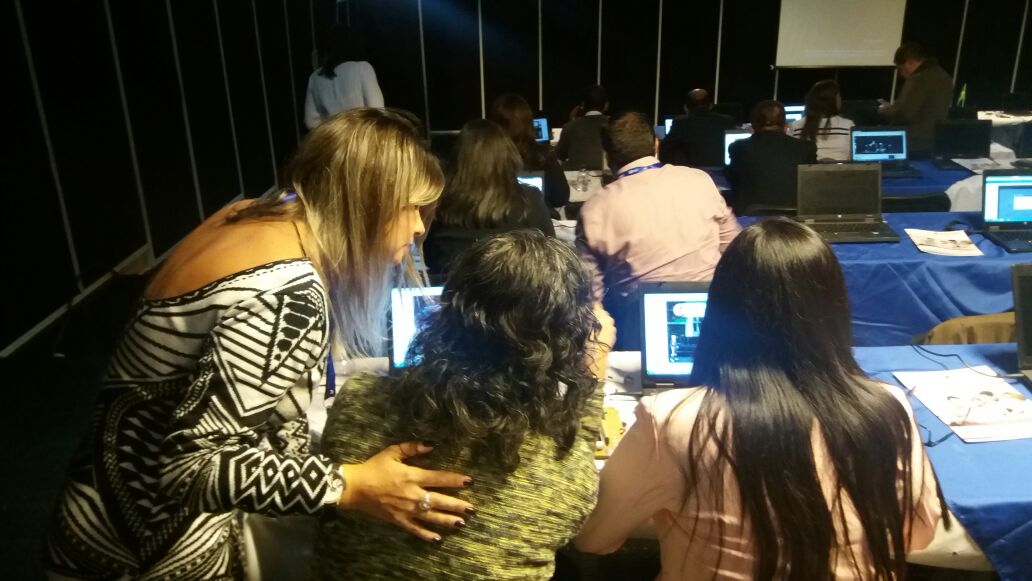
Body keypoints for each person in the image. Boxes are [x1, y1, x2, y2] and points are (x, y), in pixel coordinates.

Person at [44, 109, 476, 579]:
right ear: (365, 201)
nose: (418, 228)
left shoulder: (246, 215)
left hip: (96, 513)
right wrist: (352, 485)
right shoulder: (290, 295)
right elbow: (192, 466)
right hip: (150, 548)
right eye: (409, 208)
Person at [575, 219, 947, 580]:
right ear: (834, 308)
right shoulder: (889, 408)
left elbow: (594, 538)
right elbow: (918, 533)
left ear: (720, 308)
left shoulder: (670, 419)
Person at [311, 231, 614, 580]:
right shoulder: (563, 467)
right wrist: (593, 368)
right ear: (567, 341)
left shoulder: (357, 403)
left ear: (444, 313)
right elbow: (576, 479)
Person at [577, 111, 739, 350]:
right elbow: (735, 249)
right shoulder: (699, 180)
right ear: (656, 144)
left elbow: (591, 299)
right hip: (713, 318)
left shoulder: (595, 208)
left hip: (637, 330)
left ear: (607, 155)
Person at [423, 119, 556, 276]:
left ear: (458, 158)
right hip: (516, 287)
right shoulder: (530, 199)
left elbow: (430, 258)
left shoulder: (439, 202)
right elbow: (550, 253)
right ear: (508, 156)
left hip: (455, 288)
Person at [726, 100, 817, 215]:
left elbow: (734, 182)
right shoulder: (806, 148)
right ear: (786, 126)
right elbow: (812, 187)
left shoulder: (738, 148)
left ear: (753, 126)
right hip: (795, 217)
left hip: (750, 217)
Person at [489, 93, 570, 209]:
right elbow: (561, 198)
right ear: (529, 122)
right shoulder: (544, 156)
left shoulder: (486, 158)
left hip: (498, 216)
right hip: (540, 217)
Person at [879, 42, 954, 155]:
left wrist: (884, 110)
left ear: (909, 62)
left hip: (913, 142)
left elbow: (904, 114)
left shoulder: (919, 79)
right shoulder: (944, 75)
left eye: (900, 68)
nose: (901, 74)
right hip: (934, 139)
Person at [304, 26, 384, 129]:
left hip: (332, 138)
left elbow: (311, 122)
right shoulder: (362, 68)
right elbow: (378, 111)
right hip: (361, 135)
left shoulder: (315, 76)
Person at [659, 88, 739, 168]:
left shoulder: (681, 122)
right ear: (711, 106)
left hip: (692, 172)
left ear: (686, 108)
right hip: (723, 172)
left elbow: (665, 150)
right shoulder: (728, 121)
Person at [790, 79, 855, 161]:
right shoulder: (847, 125)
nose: (841, 100)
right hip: (840, 169)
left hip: (805, 169)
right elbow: (853, 159)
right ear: (833, 100)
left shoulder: (796, 126)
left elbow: (790, 156)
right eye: (839, 96)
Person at [557, 85, 610, 170]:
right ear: (606, 105)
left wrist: (572, 123)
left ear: (582, 104)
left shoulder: (569, 127)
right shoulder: (615, 125)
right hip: (608, 174)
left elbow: (559, 156)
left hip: (577, 175)